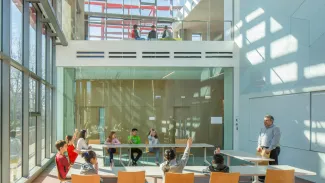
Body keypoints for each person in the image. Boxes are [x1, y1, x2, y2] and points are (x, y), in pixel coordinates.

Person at [257, 115, 281, 182]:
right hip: (263, 149)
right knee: (262, 164)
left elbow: (275, 140)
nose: (265, 122)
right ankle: (261, 179)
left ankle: (274, 180)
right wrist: (259, 146)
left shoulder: (276, 128)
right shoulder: (262, 128)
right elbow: (260, 137)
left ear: (271, 121)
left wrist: (270, 149)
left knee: (273, 165)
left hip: (273, 149)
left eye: (267, 120)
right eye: (264, 120)